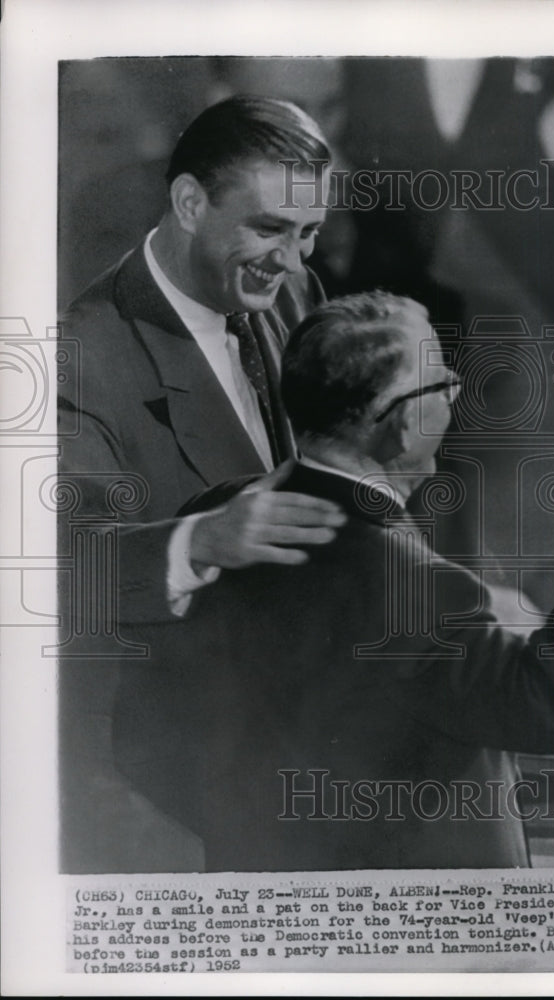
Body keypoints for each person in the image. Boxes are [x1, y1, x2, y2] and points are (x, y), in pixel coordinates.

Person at [113, 291, 554, 871]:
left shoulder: (216, 518)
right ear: (402, 427)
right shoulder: (407, 583)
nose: (457, 396)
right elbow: (545, 706)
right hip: (411, 932)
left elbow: (141, 743)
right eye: (444, 384)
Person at [57, 95, 345, 871]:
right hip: (163, 782)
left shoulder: (292, 293)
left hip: (303, 733)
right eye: (269, 228)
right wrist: (201, 539)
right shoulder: (78, 356)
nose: (293, 261)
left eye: (309, 232)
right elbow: (62, 565)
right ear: (189, 203)